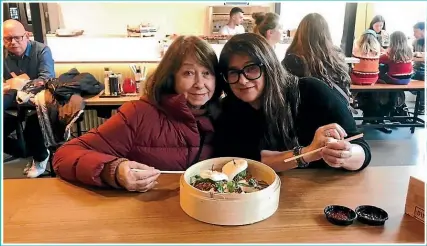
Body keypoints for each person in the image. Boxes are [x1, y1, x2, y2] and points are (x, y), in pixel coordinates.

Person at [53, 36, 223, 192]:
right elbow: (64, 155)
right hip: (149, 214)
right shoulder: (138, 114)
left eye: (207, 73)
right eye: (189, 73)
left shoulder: (225, 115)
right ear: (171, 77)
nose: (200, 84)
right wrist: (113, 170)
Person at [214, 33, 371, 172]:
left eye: (251, 68)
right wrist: (307, 153)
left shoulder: (311, 91)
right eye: (233, 72)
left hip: (323, 190)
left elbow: (362, 150)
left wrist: (344, 155)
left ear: (269, 67)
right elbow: (249, 161)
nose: (242, 80)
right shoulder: (230, 109)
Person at [3, 19, 55, 178]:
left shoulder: (41, 50)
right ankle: (24, 151)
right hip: (11, 99)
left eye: (17, 37)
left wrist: (19, 84)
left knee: (33, 124)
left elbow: (46, 78)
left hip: (37, 99)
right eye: (8, 39)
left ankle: (40, 157)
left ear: (26, 35)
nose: (13, 42)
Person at [282, 13, 351, 100]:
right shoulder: (337, 56)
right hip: (336, 111)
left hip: (307, 111)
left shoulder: (292, 61)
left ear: (300, 33)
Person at [352, 29, 392, 133]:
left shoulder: (356, 47)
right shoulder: (377, 48)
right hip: (372, 80)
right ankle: (376, 118)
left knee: (356, 73)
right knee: (381, 79)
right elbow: (384, 58)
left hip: (357, 79)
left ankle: (367, 115)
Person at [412, 22, 425, 114]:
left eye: (416, 31)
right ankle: (399, 106)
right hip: (415, 69)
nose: (414, 34)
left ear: (423, 30)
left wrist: (418, 54)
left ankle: (423, 106)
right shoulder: (415, 42)